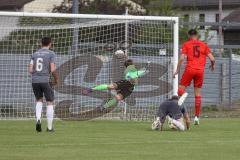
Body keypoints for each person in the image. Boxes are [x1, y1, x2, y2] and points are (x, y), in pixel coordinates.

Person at [173, 29, 215, 125]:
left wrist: (176, 71)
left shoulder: (186, 44)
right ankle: (196, 117)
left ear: (189, 36)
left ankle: (184, 97)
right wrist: (212, 66)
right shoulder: (204, 45)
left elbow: (181, 58)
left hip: (190, 69)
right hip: (200, 71)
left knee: (179, 90)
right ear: (197, 35)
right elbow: (212, 58)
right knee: (198, 94)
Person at [85, 57, 150, 111]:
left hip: (129, 88)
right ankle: (91, 89)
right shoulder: (130, 71)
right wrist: (146, 66)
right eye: (133, 64)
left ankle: (103, 107)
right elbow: (134, 74)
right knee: (110, 87)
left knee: (117, 98)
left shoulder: (135, 71)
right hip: (126, 83)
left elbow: (143, 71)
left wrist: (147, 65)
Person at [28, 37, 58, 132]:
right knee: (50, 101)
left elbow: (30, 70)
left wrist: (37, 74)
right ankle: (49, 128)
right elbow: (52, 69)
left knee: (39, 100)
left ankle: (38, 120)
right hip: (45, 80)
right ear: (50, 44)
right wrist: (56, 79)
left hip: (35, 80)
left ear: (41, 43)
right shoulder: (51, 53)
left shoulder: (35, 54)